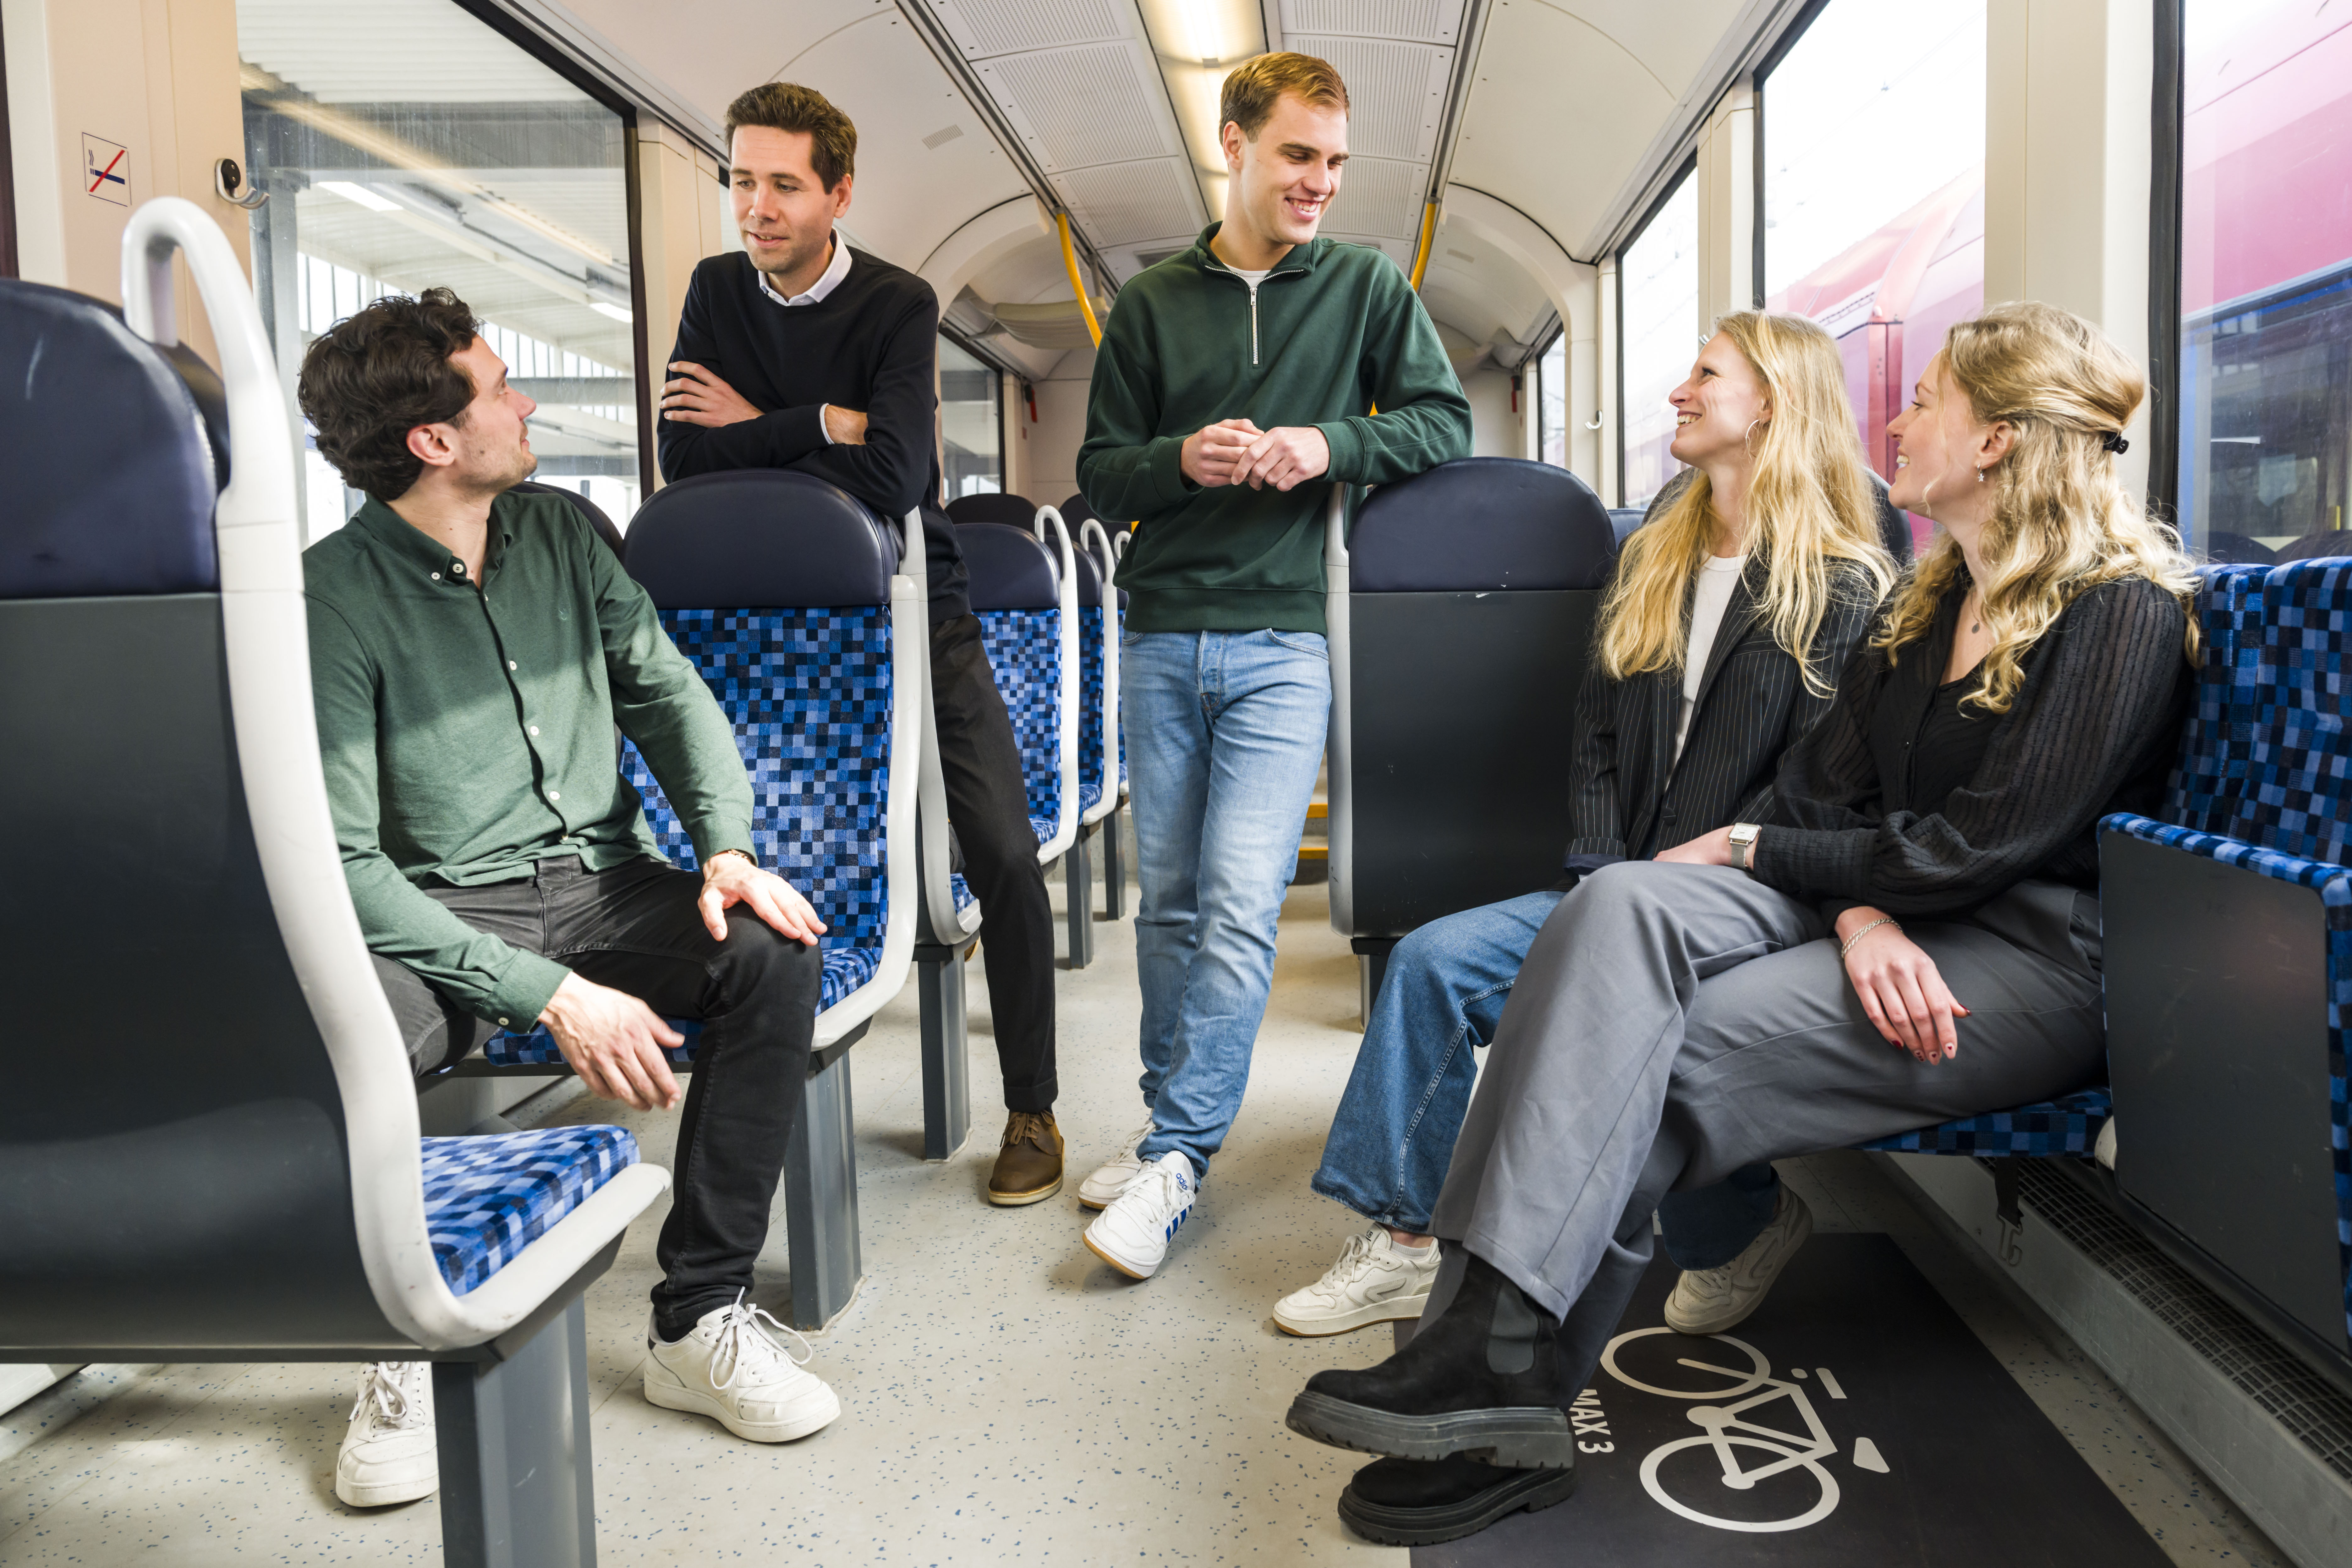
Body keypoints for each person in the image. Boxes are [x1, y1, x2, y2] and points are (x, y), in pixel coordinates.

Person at [1286, 300, 2198, 1546]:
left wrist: (1805, 863)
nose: (1900, 419)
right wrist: (1865, 906)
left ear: (1994, 442)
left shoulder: (2119, 615)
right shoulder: (1929, 604)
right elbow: (1834, 786)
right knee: (1616, 903)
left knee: (1645, 1051)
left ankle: (1501, 1383)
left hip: (2024, 962)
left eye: (1927, 398)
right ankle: (1481, 1361)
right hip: (1901, 916)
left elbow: (1979, 846)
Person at [300, 290, 844, 1509]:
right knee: (358, 1030)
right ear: (434, 442)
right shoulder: (329, 598)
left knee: (769, 956)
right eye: (499, 387)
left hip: (604, 880)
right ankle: (396, 1341)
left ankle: (697, 1318)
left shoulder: (561, 533)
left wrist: (725, 852)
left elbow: (667, 694)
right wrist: (550, 998)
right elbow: (348, 870)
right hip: (444, 911)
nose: (525, 400)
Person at [1275, 312, 1895, 1339]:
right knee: (1432, 964)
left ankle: (1743, 1226)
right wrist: (1601, 873)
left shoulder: (1841, 585)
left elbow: (1825, 786)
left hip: (1757, 892)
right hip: (1620, 884)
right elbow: (1599, 730)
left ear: (1773, 405)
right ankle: (1405, 1240)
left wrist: (1687, 874)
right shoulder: (1661, 548)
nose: (1680, 393)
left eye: (1706, 375)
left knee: (1632, 1021)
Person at [1073, 52, 1474, 1281]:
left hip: (1284, 645)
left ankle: (1182, 1157)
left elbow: (1442, 422)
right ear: (1236, 145)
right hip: (1157, 634)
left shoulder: (1360, 288)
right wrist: (1177, 462)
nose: (1321, 183)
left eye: (1337, 163)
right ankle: (1162, 1125)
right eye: (1300, 155)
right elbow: (1099, 470)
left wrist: (1325, 442)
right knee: (1174, 905)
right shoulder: (1149, 307)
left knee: (1244, 905)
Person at [657, 82, 1065, 1208]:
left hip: (910, 599)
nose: (757, 208)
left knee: (999, 849)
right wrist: (824, 425)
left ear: (838, 193)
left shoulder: (897, 300)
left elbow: (898, 479)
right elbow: (683, 464)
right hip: (772, 615)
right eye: (742, 181)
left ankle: (1032, 1102)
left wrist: (763, 428)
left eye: (784, 185)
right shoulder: (712, 290)